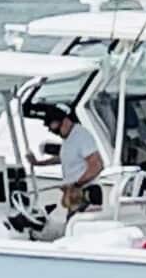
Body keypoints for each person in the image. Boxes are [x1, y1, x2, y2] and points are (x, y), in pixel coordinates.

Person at [32, 98, 105, 239]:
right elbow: (65, 157)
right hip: (73, 196)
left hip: (85, 195)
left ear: (65, 121)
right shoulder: (68, 138)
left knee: (79, 233)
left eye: (55, 128)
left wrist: (76, 184)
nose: (55, 133)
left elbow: (96, 165)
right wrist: (39, 163)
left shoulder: (81, 136)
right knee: (72, 229)